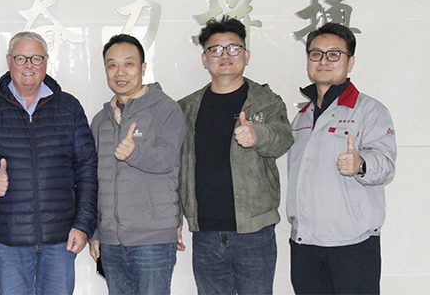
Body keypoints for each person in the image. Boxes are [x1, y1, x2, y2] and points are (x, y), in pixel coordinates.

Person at [0, 31, 98, 295]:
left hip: (61, 239)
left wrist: (83, 225)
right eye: (21, 58)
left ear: (46, 61)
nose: (29, 65)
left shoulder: (69, 107)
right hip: (8, 239)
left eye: (36, 58)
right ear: (9, 61)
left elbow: (87, 170)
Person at [178, 16, 292, 295]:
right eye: (215, 49)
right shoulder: (187, 108)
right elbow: (176, 168)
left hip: (254, 232)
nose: (225, 55)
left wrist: (257, 135)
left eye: (233, 48)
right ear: (204, 59)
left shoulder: (266, 101)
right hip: (205, 233)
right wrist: (175, 218)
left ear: (246, 55)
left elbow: (283, 139)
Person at [287, 23, 396, 295]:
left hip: (353, 247)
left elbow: (386, 164)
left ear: (351, 62)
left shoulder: (369, 110)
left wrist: (361, 164)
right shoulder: (302, 117)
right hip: (305, 245)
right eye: (316, 54)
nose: (323, 61)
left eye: (334, 54)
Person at [88, 34, 187, 295]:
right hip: (111, 242)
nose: (120, 72)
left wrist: (135, 153)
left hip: (153, 240)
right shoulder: (100, 120)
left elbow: (168, 159)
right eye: (112, 65)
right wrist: (95, 232)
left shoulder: (165, 109)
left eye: (128, 64)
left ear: (143, 68)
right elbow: (94, 180)